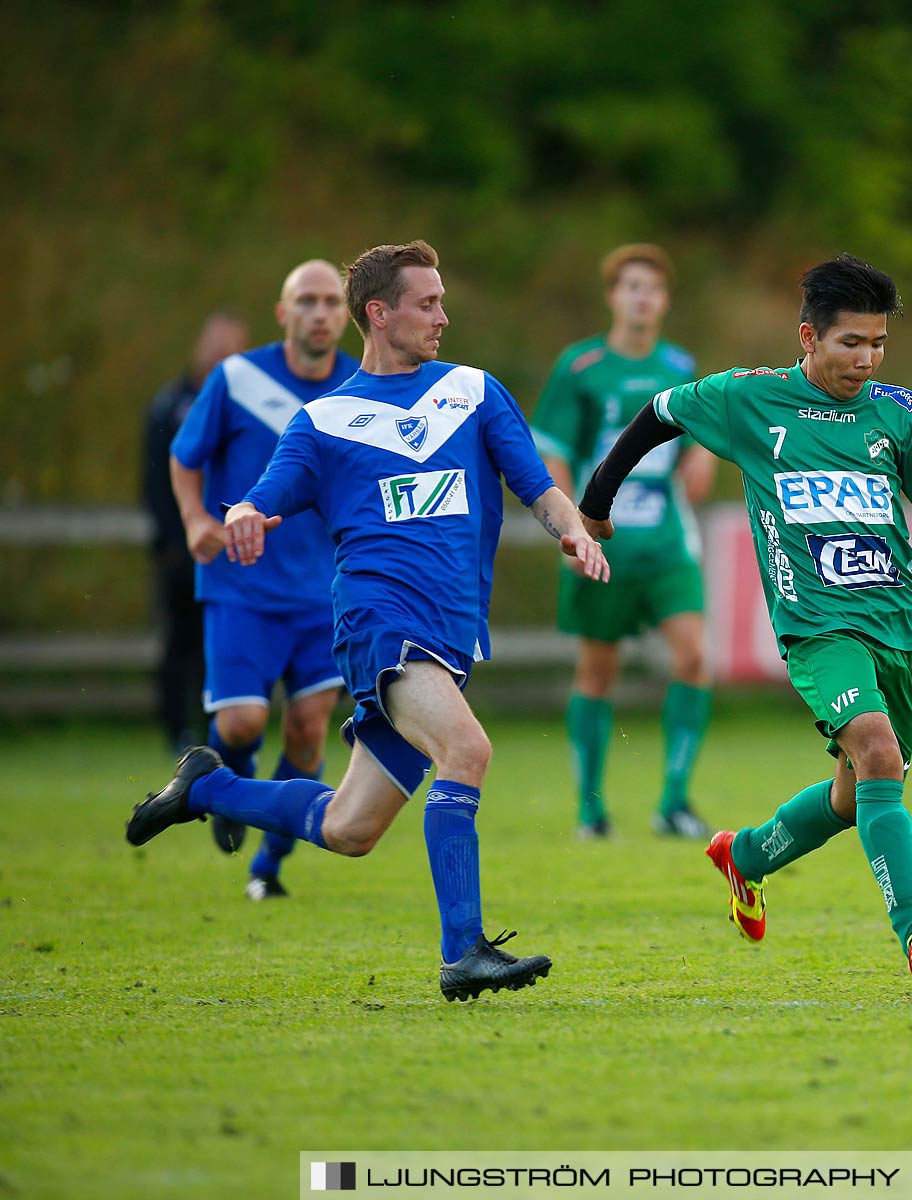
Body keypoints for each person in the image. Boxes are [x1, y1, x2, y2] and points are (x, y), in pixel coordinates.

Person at [128, 241, 608, 1002]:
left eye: (444, 301)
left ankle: (205, 790)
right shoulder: (324, 419)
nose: (444, 317)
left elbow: (534, 484)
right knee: (468, 748)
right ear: (380, 314)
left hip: (449, 634)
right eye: (428, 304)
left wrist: (573, 529)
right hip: (379, 621)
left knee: (350, 829)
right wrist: (248, 512)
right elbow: (269, 489)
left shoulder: (475, 393)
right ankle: (464, 952)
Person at [578, 253, 912, 992]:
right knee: (877, 753)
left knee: (856, 794)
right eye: (851, 344)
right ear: (808, 338)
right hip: (816, 625)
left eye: (878, 344)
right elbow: (659, 415)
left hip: (896, 627)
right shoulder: (749, 399)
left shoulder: (900, 414)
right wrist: (595, 504)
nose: (866, 360)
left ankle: (743, 856)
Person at [169, 263, 358, 901]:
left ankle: (268, 868)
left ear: (350, 313)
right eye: (307, 301)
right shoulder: (237, 378)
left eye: (333, 301)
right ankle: (228, 785)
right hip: (240, 587)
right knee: (246, 721)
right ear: (283, 313)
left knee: (309, 727)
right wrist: (197, 519)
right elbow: (184, 456)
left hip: (323, 589)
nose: (320, 313)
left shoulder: (364, 388)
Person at [530, 244, 716, 840]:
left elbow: (700, 437)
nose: (642, 297)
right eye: (631, 286)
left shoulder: (680, 366)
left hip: (665, 542)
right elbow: (553, 445)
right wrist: (570, 521)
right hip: (601, 542)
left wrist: (703, 459)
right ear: (613, 295)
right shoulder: (581, 367)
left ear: (665, 301)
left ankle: (675, 801)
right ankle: (590, 809)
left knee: (692, 658)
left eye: (653, 288)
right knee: (598, 673)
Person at [143, 311, 249, 753]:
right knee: (179, 643)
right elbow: (154, 477)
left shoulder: (251, 406)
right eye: (215, 343)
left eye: (231, 345)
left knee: (223, 644)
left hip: (236, 549)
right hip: (180, 549)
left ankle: (219, 732)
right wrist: (172, 538)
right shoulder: (171, 405)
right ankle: (175, 731)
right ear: (199, 345)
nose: (221, 352)